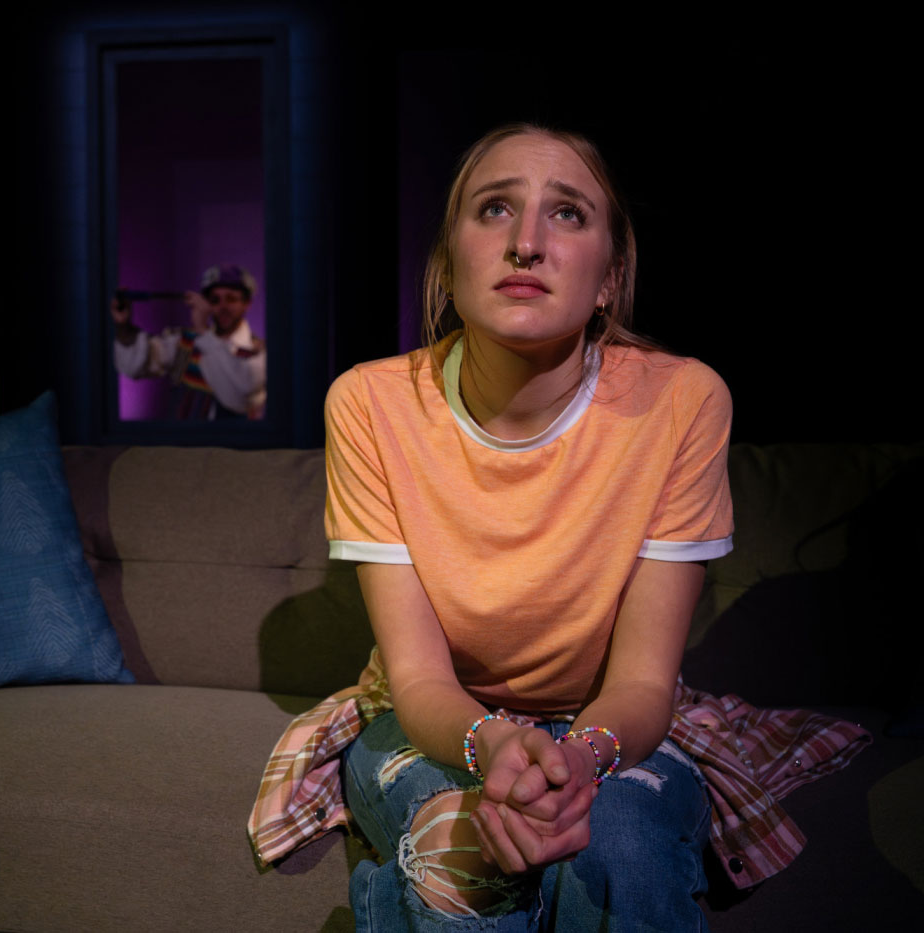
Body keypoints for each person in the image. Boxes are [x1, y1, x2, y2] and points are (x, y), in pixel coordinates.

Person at [247, 125, 869, 931]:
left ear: (609, 278)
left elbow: (642, 682)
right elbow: (421, 679)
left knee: (624, 852)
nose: (527, 243)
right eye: (494, 208)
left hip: (608, 719)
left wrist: (580, 757)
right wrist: (492, 744)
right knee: (459, 858)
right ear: (448, 264)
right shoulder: (371, 404)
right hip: (437, 716)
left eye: (567, 213)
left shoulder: (683, 402)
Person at [112, 264, 266, 419]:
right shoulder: (186, 342)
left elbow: (239, 396)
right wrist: (124, 328)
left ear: (247, 303)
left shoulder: (258, 353)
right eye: (214, 300)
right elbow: (136, 365)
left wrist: (202, 330)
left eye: (231, 299)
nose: (222, 307)